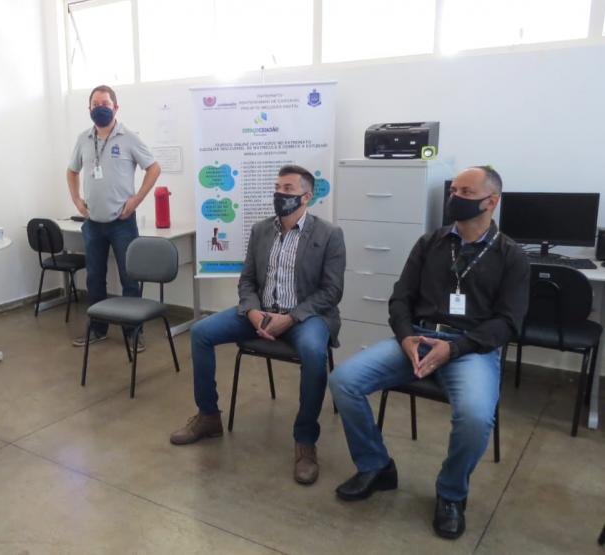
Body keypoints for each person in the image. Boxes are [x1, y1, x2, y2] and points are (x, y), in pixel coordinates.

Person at [328, 166, 529, 539]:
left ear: (491, 201)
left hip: (470, 348)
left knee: (475, 416)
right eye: (454, 190)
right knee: (344, 380)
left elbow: (508, 323)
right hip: (417, 339)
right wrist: (406, 336)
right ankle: (376, 466)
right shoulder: (430, 243)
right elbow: (400, 298)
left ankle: (451, 493)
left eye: (466, 192)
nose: (455, 198)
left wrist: (454, 348)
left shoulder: (511, 255)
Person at [170, 164, 346, 486]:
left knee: (313, 352)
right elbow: (247, 280)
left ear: (307, 197)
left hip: (304, 317)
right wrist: (252, 312)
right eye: (277, 188)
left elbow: (331, 291)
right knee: (201, 332)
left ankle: (305, 440)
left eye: (288, 189)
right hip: (259, 313)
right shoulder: (261, 230)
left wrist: (290, 318)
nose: (280, 194)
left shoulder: (328, 235)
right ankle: (208, 416)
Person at [67, 85, 161, 352]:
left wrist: (136, 200)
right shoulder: (83, 139)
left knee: (130, 278)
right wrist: (76, 200)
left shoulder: (128, 137)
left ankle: (133, 332)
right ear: (89, 109)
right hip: (93, 224)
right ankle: (98, 329)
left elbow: (154, 168)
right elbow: (71, 171)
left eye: (105, 104)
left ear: (116, 107)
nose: (100, 108)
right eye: (95, 104)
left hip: (122, 223)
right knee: (94, 278)